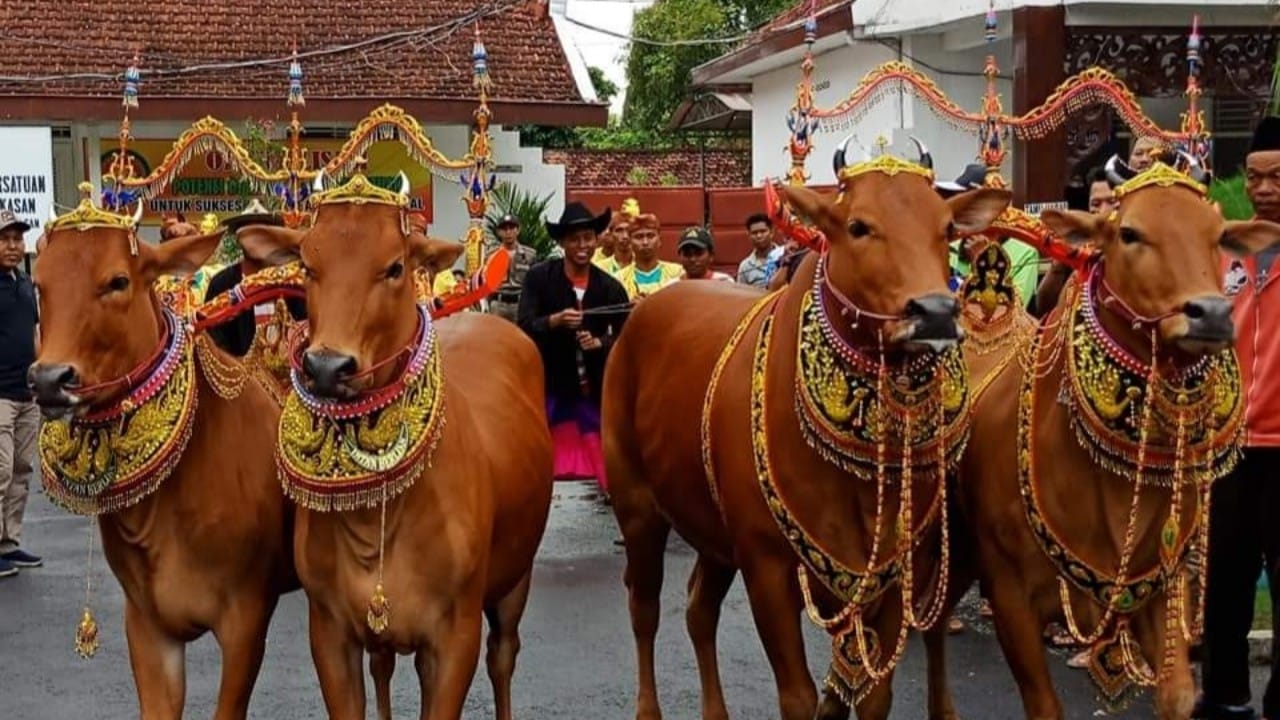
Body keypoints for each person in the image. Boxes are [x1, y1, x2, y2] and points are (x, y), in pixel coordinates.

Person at [1196, 116, 1280, 720]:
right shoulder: (1220, 250)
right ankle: (1225, 697)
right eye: (1255, 176)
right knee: (1224, 579)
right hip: (1227, 444)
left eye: (1278, 177)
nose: (1265, 188)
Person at [517, 202, 630, 494]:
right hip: (549, 381)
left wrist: (600, 343)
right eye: (575, 239)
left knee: (608, 459)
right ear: (562, 242)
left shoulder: (610, 287)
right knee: (532, 460)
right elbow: (524, 326)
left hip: (593, 386)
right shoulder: (539, 278)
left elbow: (625, 336)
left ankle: (614, 500)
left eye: (588, 238)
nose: (583, 245)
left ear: (597, 240)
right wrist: (553, 321)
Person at [0, 209, 40, 577]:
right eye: (5, 239)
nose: (13, 246)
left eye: (17, 239)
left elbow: (35, 335)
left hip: (26, 394)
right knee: (0, 470)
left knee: (22, 471)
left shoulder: (26, 283)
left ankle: (9, 544)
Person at [937, 164, 1040, 306]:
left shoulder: (1024, 253)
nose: (956, 211)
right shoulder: (950, 247)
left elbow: (1013, 314)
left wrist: (984, 264)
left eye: (964, 204)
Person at [1033, 166, 1117, 317]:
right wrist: (1059, 264)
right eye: (1096, 204)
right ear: (1089, 208)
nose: (1104, 211)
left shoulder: (1135, 248)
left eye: (1111, 201)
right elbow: (1043, 308)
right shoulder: (1079, 243)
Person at [613, 213, 682, 299]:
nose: (645, 242)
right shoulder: (619, 279)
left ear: (659, 240)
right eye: (639, 237)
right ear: (630, 242)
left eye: (650, 236)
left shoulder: (677, 273)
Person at [485, 214, 537, 323]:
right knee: (496, 338)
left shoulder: (529, 255)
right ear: (499, 232)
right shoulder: (491, 255)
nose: (508, 232)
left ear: (518, 230)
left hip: (520, 305)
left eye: (512, 228)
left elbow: (534, 283)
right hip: (498, 304)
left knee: (520, 337)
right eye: (504, 229)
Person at [736, 213, 781, 288]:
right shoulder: (745, 266)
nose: (759, 236)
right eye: (754, 233)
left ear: (772, 232)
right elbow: (742, 294)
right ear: (749, 236)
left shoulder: (785, 256)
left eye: (763, 231)